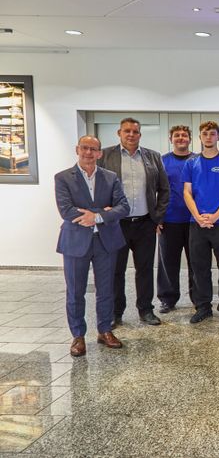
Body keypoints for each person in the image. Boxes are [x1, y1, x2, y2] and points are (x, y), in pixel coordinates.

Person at [55, 135, 129, 356]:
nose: (88, 153)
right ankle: (78, 336)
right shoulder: (63, 178)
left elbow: (123, 207)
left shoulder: (110, 177)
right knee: (75, 291)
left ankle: (105, 330)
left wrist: (95, 217)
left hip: (106, 242)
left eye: (93, 149)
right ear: (77, 149)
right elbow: (66, 210)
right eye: (84, 148)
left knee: (106, 289)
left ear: (100, 153)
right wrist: (103, 212)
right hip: (75, 242)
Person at [98, 117, 170, 328]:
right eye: (127, 131)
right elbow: (97, 188)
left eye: (135, 131)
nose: (131, 135)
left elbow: (164, 190)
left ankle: (146, 310)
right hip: (116, 225)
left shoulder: (153, 157)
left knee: (145, 269)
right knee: (115, 270)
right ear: (119, 133)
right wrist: (102, 214)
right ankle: (115, 312)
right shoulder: (106, 156)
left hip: (145, 223)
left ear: (140, 134)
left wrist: (157, 217)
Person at [182, 121, 219, 324]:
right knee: (199, 267)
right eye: (205, 133)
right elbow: (187, 192)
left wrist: (215, 216)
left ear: (218, 137)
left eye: (212, 134)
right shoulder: (191, 163)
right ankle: (203, 307)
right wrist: (198, 216)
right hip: (197, 223)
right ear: (200, 137)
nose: (208, 137)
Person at [156, 125, 197, 313]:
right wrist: (157, 217)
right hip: (169, 220)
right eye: (177, 135)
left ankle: (198, 298)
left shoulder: (198, 160)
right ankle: (167, 299)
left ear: (190, 139)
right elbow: (154, 190)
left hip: (194, 220)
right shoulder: (162, 161)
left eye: (184, 135)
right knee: (168, 262)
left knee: (196, 261)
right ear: (170, 138)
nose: (181, 138)